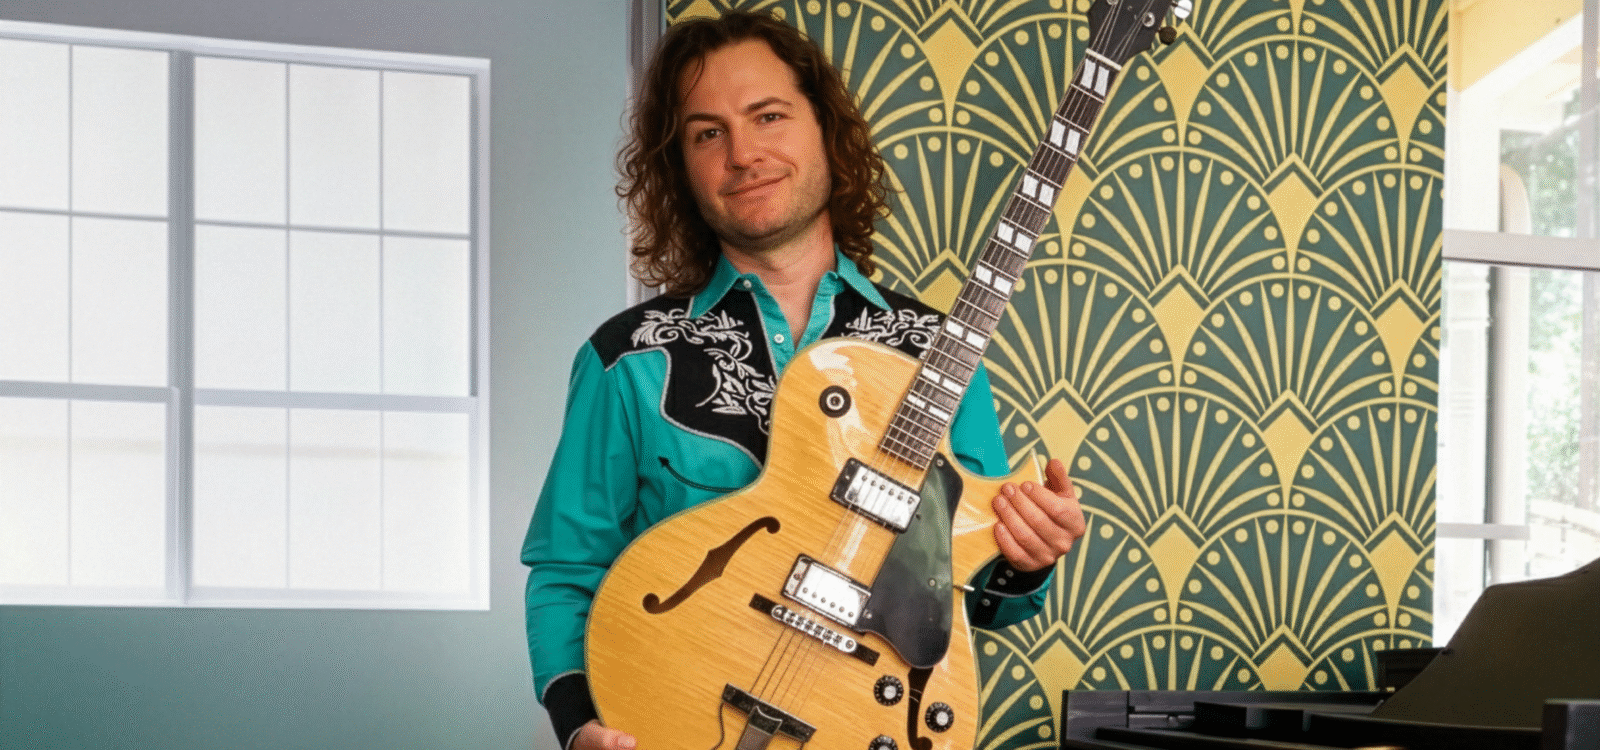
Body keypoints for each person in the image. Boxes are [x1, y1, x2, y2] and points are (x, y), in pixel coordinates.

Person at [521, 10, 1086, 750]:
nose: (744, 153)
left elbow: (977, 599)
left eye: (768, 116)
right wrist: (575, 727)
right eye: (707, 132)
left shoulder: (938, 353)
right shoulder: (626, 359)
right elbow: (567, 569)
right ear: (679, 165)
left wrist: (1026, 554)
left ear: (826, 130)